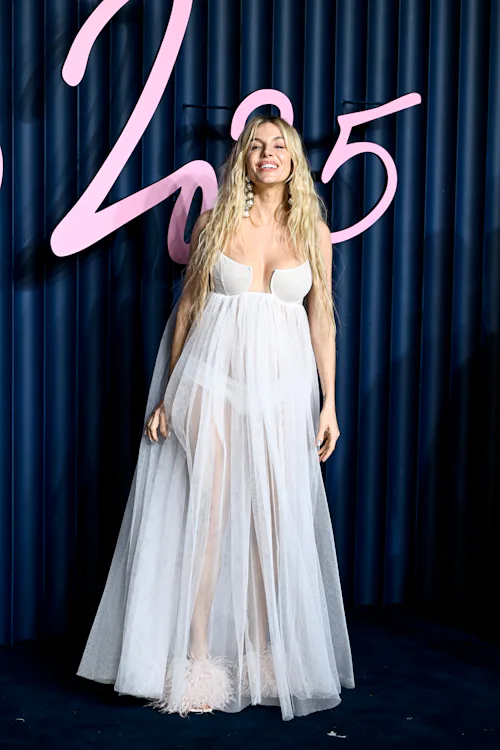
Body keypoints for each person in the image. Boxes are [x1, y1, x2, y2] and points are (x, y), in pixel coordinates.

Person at [76, 116, 355, 721]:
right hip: (213, 382)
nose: (267, 153)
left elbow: (322, 323)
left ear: (294, 159)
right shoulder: (213, 224)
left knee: (272, 521)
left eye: (278, 145)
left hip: (283, 393)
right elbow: (188, 310)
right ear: (243, 159)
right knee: (208, 515)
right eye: (255, 145)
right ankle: (196, 657)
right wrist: (165, 395)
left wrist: (330, 402)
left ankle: (263, 656)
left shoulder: (313, 233)